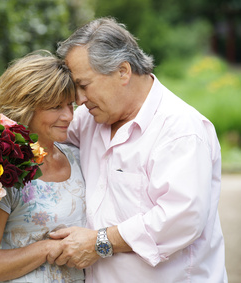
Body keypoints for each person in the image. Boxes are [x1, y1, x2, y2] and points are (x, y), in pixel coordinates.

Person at [47, 17, 228, 282]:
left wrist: (100, 242)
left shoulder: (180, 130)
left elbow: (181, 218)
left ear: (123, 72)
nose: (79, 99)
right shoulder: (89, 120)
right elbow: (43, 133)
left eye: (84, 85)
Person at [0, 51, 86, 283]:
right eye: (55, 107)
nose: (69, 116)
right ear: (25, 108)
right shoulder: (3, 174)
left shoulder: (79, 157)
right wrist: (47, 250)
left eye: (70, 105)